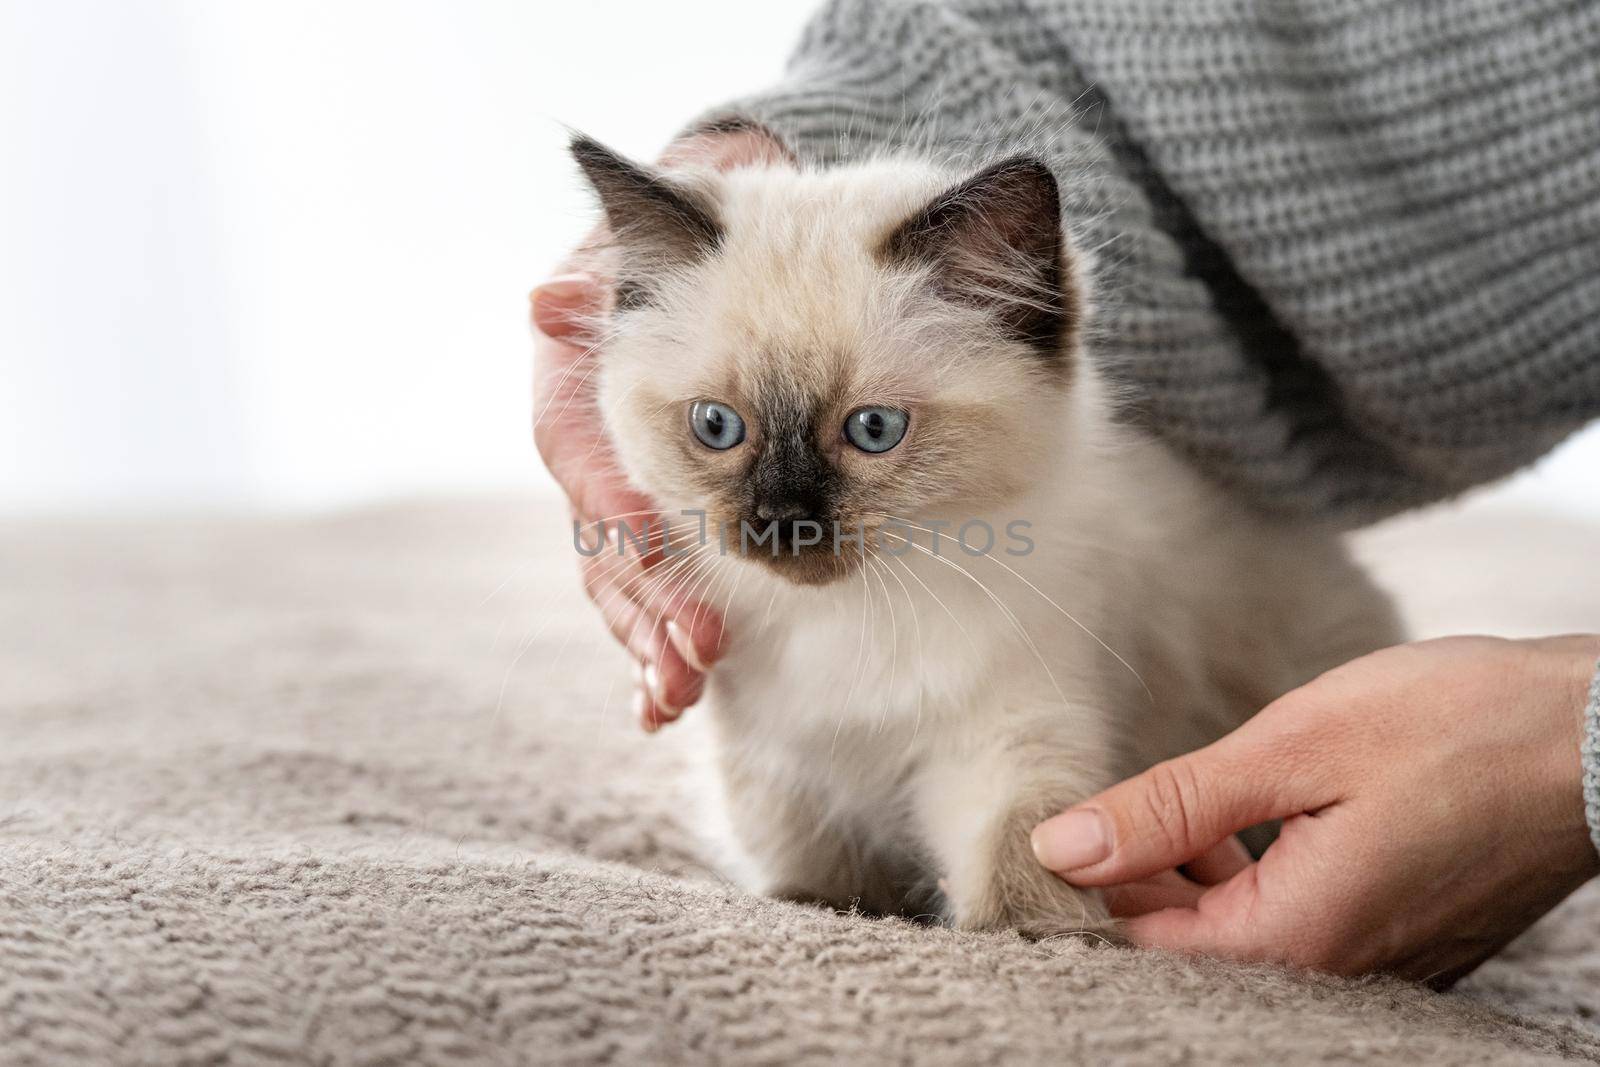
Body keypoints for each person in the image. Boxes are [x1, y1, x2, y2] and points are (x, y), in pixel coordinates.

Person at [532, 0, 1600, 983]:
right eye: (715, 430)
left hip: (1304, 649)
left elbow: (1006, 763)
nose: (778, 511)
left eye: (870, 432)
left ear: (1027, 335)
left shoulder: (1039, 558)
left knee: (1022, 857)